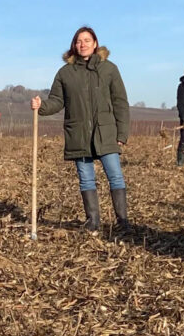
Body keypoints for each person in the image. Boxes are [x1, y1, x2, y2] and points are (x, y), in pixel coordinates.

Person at [31, 26, 130, 231]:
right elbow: (57, 101)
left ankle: (122, 222)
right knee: (86, 179)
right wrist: (42, 106)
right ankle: (93, 221)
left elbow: (120, 102)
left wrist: (122, 133)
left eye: (86, 40)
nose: (82, 44)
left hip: (106, 132)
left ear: (95, 44)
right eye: (78, 41)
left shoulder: (109, 69)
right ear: (74, 46)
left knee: (115, 176)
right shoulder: (65, 73)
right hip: (78, 134)